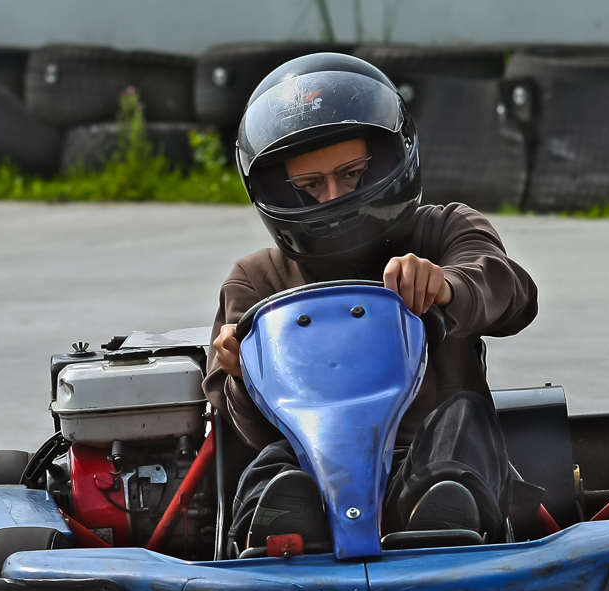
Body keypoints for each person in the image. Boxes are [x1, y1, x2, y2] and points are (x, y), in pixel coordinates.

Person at [204, 52, 539, 555]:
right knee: (278, 459)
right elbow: (245, 432)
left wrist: (446, 286)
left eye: (353, 173)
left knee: (463, 419)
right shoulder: (257, 279)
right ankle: (280, 526)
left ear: (386, 160)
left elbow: (512, 294)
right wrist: (239, 371)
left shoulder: (443, 230)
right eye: (310, 186)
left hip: (432, 468)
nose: (334, 198)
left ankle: (440, 516)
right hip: (315, 470)